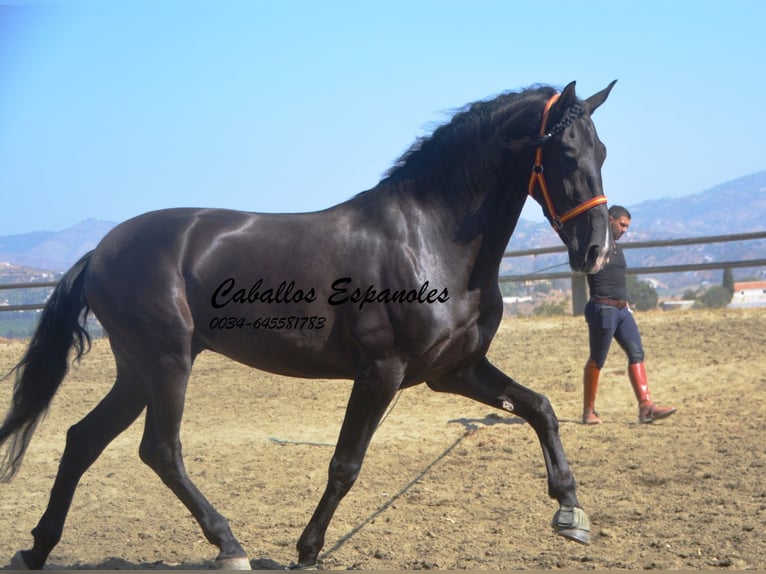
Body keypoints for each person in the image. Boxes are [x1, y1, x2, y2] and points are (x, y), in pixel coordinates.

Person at [582, 205, 677, 425]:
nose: (625, 230)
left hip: (623, 310)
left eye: (627, 227)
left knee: (637, 353)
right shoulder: (594, 243)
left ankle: (646, 407)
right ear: (610, 219)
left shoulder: (618, 248)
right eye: (622, 224)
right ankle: (588, 412)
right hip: (603, 310)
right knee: (598, 359)